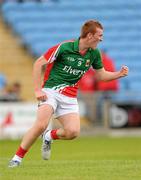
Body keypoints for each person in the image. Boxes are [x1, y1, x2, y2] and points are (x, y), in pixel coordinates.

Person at [8, 20, 129, 167]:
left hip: (70, 96)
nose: (101, 39)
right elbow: (38, 63)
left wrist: (119, 74)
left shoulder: (94, 53)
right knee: (41, 124)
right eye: (100, 35)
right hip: (51, 91)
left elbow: (101, 75)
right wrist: (38, 89)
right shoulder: (64, 47)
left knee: (72, 132)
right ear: (90, 35)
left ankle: (48, 136)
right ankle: (17, 158)